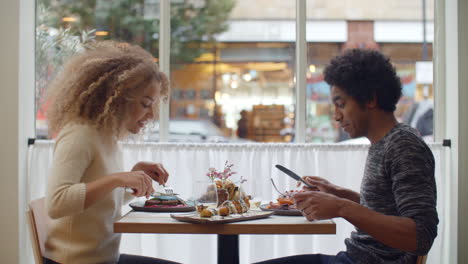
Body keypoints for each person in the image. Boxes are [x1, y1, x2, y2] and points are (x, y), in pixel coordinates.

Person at [256, 49, 438, 264]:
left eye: (341, 104)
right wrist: (338, 194)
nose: (336, 116)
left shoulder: (404, 146)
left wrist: (342, 208)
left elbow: (420, 236)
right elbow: (388, 212)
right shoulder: (385, 143)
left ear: (370, 99)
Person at [44, 41, 179, 264]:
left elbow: (101, 199)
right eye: (146, 104)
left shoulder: (107, 136)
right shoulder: (80, 135)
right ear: (117, 99)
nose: (152, 115)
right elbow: (57, 203)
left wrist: (131, 178)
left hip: (106, 258)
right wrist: (117, 178)